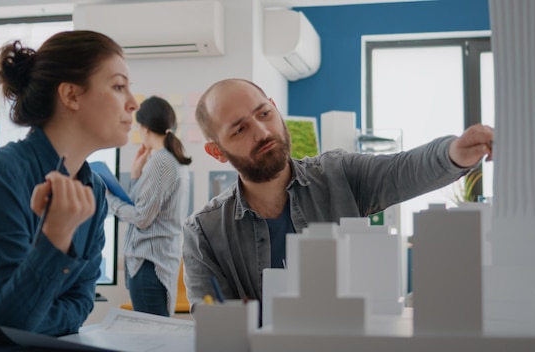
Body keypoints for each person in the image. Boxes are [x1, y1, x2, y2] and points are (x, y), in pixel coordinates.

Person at [182, 78, 494, 306]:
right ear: (216, 152)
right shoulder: (204, 232)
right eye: (239, 129)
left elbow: (403, 169)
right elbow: (216, 323)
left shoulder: (338, 175)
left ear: (275, 109)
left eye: (264, 114)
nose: (262, 132)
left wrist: (454, 152)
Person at [0, 30, 139, 350]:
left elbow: (79, 305)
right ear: (71, 95)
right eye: (119, 86)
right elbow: (14, 322)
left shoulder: (92, 191)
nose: (133, 103)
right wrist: (57, 234)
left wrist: (2, 320)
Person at [107, 96, 191, 317]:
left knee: (151, 340)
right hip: (156, 263)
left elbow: (142, 217)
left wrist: (110, 200)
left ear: (143, 128)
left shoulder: (161, 162)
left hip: (149, 264)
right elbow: (145, 207)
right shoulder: (170, 159)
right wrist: (136, 176)